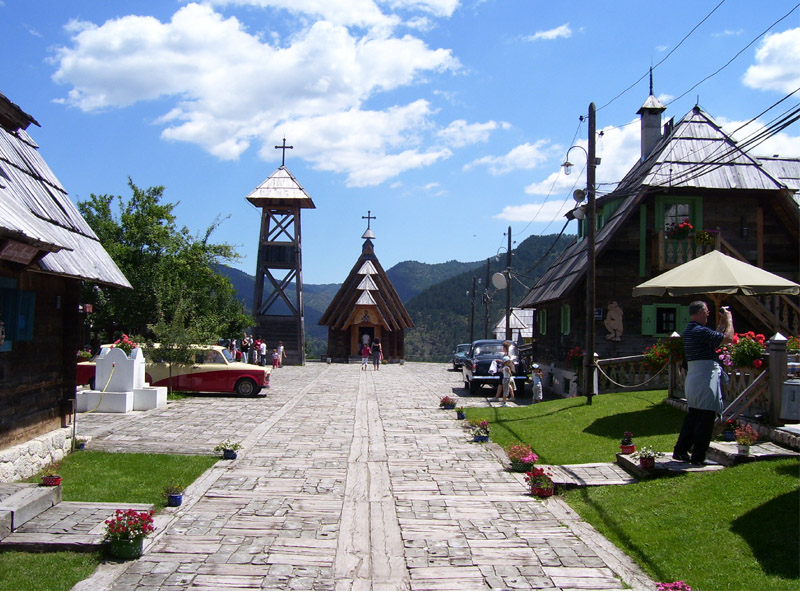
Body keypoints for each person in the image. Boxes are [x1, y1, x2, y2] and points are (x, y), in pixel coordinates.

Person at [672, 300, 734, 466]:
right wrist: (729, 319)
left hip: (695, 378)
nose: (708, 314)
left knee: (694, 416)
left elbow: (712, 339)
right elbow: (728, 339)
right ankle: (698, 456)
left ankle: (680, 450)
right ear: (700, 312)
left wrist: (720, 326)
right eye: (706, 311)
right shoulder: (699, 331)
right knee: (706, 418)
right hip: (705, 378)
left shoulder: (691, 330)